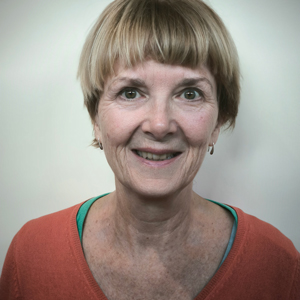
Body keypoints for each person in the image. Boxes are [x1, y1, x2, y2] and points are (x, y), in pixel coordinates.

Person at [0, 0, 299, 299]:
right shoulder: (30, 254)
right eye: (130, 92)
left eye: (190, 93)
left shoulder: (277, 264)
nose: (159, 124)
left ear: (218, 121)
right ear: (96, 118)